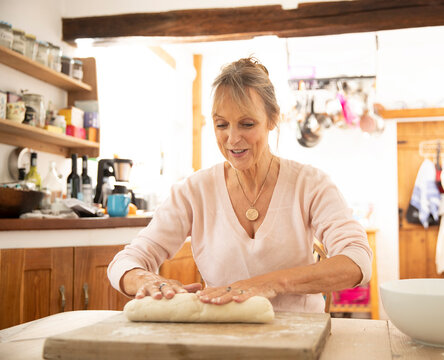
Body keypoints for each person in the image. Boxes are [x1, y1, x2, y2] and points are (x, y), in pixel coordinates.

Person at [108, 57, 373, 313]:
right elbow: (125, 262)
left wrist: (269, 284)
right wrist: (147, 280)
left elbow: (357, 260)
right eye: (221, 124)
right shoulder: (194, 191)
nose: (233, 139)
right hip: (222, 335)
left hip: (300, 336)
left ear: (272, 119)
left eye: (247, 124)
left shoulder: (310, 184)